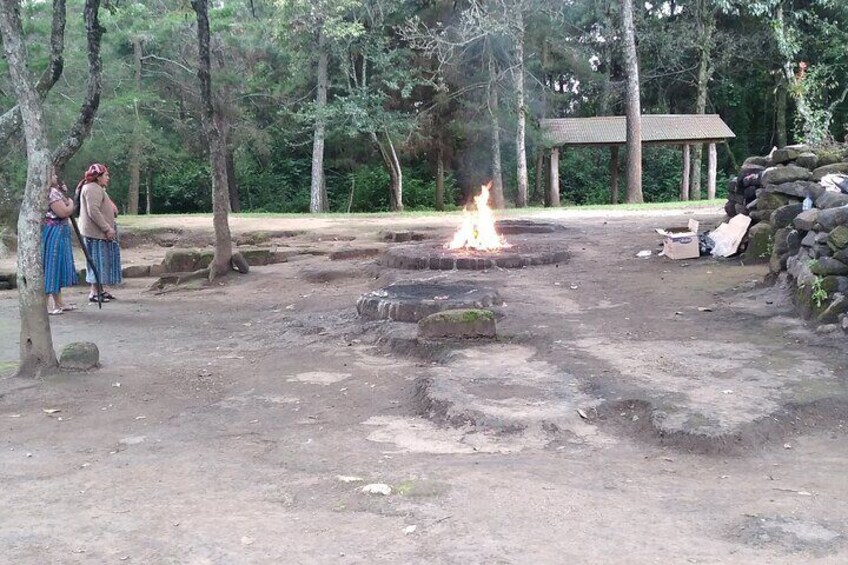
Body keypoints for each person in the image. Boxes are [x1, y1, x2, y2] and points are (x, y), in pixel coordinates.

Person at [76, 163, 121, 303]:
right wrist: (107, 228)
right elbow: (93, 211)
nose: (108, 178)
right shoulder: (91, 189)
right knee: (97, 262)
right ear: (98, 177)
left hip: (98, 234)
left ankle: (100, 290)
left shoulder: (96, 188)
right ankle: (94, 292)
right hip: (95, 234)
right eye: (106, 175)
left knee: (101, 262)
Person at [42, 169, 78, 315]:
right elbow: (63, 212)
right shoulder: (51, 193)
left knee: (56, 266)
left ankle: (59, 302)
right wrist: (70, 204)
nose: (56, 176)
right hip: (55, 232)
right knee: (52, 266)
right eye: (53, 174)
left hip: (60, 232)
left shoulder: (55, 191)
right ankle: (45, 305)